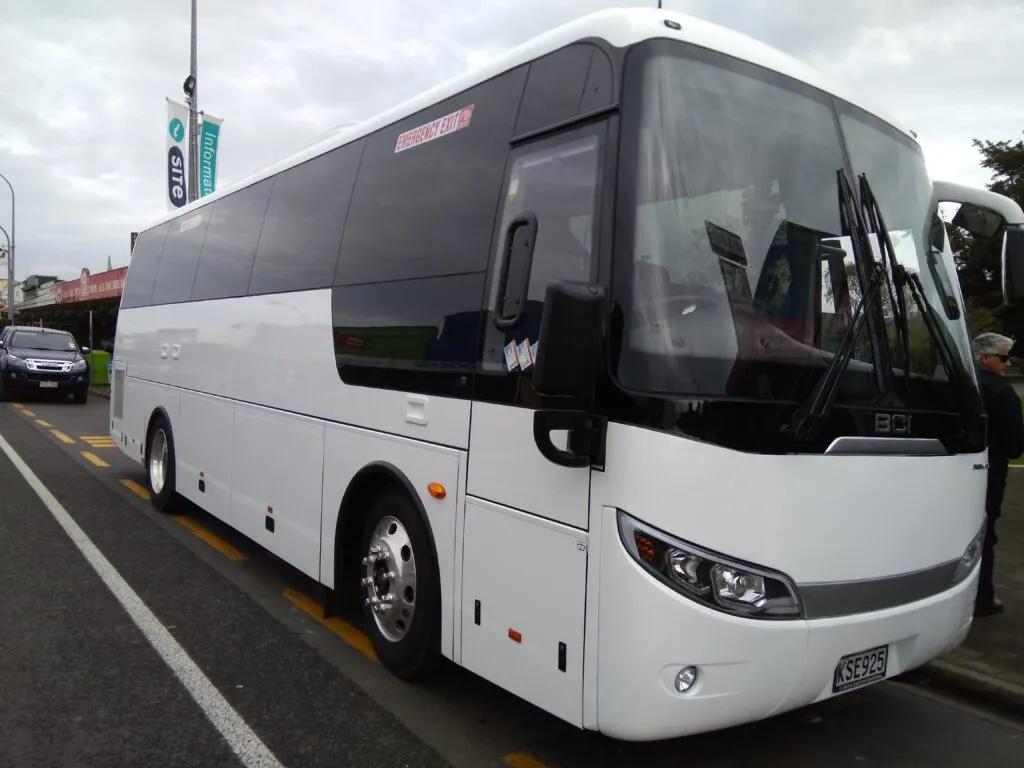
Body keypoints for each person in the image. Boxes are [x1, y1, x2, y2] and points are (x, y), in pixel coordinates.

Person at [973, 332, 1024, 617]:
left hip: (955, 468)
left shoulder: (960, 386)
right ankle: (983, 597)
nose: (1007, 363)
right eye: (1003, 357)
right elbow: (1016, 446)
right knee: (985, 531)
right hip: (990, 471)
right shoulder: (1001, 392)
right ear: (986, 357)